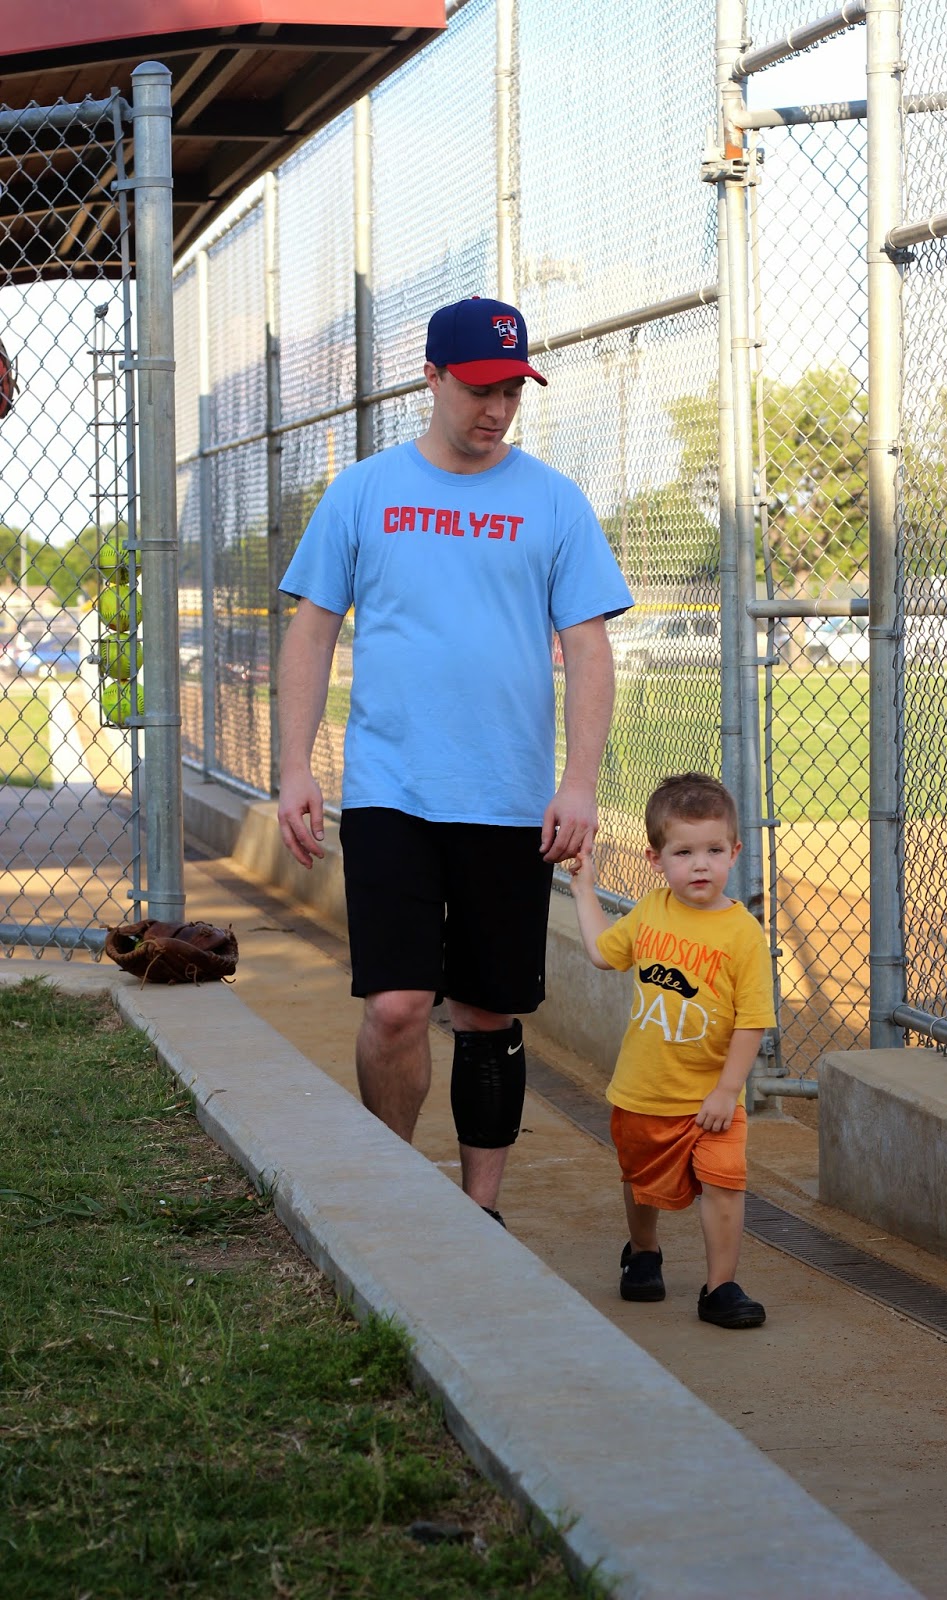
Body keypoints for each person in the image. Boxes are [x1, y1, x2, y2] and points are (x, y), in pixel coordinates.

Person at [275, 295, 632, 1220]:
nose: (496, 409)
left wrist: (580, 783)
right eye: (479, 388)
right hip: (391, 790)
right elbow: (311, 631)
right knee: (396, 1006)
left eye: (512, 390)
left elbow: (589, 648)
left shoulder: (553, 500)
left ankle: (481, 1212)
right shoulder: (364, 492)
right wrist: (295, 767)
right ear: (430, 378)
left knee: (485, 1013)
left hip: (507, 795)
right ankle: (395, 1191)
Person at [568, 771, 775, 1328]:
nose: (700, 865)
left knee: (725, 1182)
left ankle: (720, 1287)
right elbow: (602, 953)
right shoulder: (650, 911)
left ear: (734, 852)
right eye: (684, 853)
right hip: (646, 1089)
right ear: (656, 859)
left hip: (713, 1098)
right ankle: (643, 1252)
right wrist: (584, 887)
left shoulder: (743, 933)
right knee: (642, 1181)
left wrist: (728, 1091)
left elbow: (753, 1021)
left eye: (713, 850)